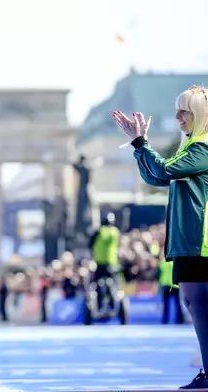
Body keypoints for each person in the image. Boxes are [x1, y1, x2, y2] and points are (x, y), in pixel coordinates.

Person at [113, 85, 208, 389]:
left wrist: (142, 143)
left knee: (199, 304)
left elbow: (164, 170)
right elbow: (155, 176)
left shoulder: (203, 147)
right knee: (196, 304)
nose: (178, 116)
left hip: (200, 240)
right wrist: (139, 146)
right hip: (188, 240)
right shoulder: (192, 146)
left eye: (185, 111)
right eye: (178, 109)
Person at [88, 212, 121, 310]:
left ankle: (100, 304)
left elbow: (90, 244)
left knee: (97, 284)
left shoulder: (99, 232)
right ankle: (113, 303)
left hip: (100, 263)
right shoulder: (116, 232)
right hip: (112, 263)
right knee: (114, 284)